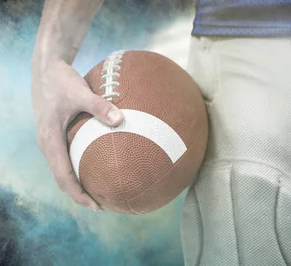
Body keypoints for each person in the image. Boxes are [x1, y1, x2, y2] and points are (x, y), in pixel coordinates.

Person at [31, 0, 291, 264]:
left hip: (262, 36)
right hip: (244, 31)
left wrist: (50, 59)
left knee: (252, 229)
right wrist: (49, 62)